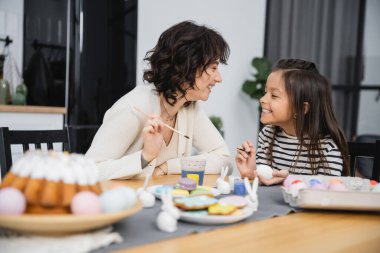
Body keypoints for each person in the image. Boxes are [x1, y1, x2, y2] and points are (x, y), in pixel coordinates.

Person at [86, 20, 231, 180]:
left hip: (163, 202)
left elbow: (223, 159)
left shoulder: (189, 106)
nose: (218, 78)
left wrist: (167, 167)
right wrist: (145, 157)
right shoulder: (134, 108)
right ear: (187, 66)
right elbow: (89, 170)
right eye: (213, 68)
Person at [236, 58, 349, 185]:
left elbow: (327, 192)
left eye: (274, 95)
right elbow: (264, 184)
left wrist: (290, 180)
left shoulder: (327, 147)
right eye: (265, 92)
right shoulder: (267, 134)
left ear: (302, 108)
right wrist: (251, 173)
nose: (262, 99)